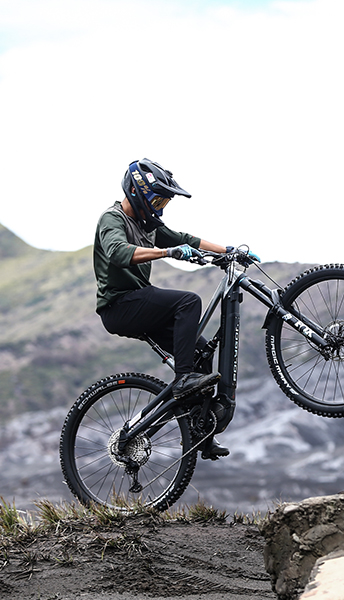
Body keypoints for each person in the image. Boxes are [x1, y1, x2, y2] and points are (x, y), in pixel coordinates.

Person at [93, 158, 239, 459]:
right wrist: (167, 252)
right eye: (157, 199)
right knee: (188, 301)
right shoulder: (113, 219)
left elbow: (185, 239)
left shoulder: (150, 224)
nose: (160, 207)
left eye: (164, 201)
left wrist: (228, 251)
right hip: (119, 305)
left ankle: (201, 433)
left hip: (139, 302)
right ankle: (183, 377)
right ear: (137, 192)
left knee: (201, 353)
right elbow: (119, 253)